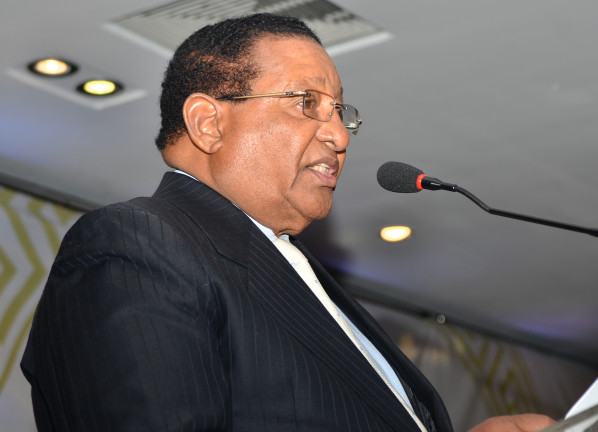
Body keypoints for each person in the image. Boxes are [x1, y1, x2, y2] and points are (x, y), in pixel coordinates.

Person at [21, 13, 555, 432]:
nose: (339, 136)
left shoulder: (299, 272)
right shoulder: (136, 244)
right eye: (306, 103)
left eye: (340, 111)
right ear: (208, 123)